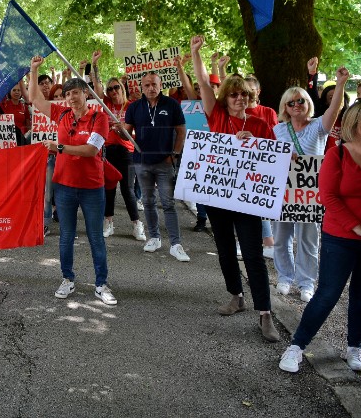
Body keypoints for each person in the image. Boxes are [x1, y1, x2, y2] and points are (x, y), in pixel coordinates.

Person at [191, 34, 279, 342]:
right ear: (226, 96)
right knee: (226, 250)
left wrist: (253, 142)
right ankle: (236, 296)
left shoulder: (261, 124)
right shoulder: (215, 115)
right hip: (217, 197)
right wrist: (195, 53)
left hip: (247, 200)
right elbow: (203, 83)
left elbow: (273, 159)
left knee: (253, 255)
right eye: (235, 94)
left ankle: (265, 314)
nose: (240, 98)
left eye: (245, 95)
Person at [279, 99, 361, 373]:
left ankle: (355, 348)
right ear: (355, 123)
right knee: (328, 294)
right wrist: (358, 228)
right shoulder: (338, 155)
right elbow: (328, 196)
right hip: (340, 237)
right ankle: (296, 347)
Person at [28, 55, 117, 305]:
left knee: (95, 237)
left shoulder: (100, 118)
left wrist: (60, 148)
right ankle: (67, 279)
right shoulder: (61, 113)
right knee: (66, 236)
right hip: (64, 186)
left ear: (86, 94)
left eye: (76, 93)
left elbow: (91, 150)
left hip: (91, 188)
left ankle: (101, 284)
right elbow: (35, 99)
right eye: (68, 94)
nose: (72, 98)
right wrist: (34, 71)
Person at [273, 67, 348, 302]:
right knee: (281, 237)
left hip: (310, 194)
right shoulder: (278, 129)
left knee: (308, 239)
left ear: (308, 104)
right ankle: (285, 277)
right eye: (291, 102)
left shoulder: (319, 127)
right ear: (285, 107)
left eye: (301, 101)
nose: (297, 105)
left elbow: (334, 110)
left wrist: (341, 82)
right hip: (284, 193)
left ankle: (306, 282)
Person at [123, 72, 189, 261]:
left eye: (154, 84)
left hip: (164, 162)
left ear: (161, 85)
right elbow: (126, 134)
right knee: (148, 201)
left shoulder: (172, 104)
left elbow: (181, 131)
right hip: (142, 162)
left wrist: (175, 154)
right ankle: (154, 237)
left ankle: (176, 244)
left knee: (168, 203)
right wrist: (119, 129)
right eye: (147, 85)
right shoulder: (134, 107)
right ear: (141, 87)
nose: (151, 88)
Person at [102, 77, 146, 241]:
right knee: (109, 188)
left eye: (116, 88)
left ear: (122, 88)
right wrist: (94, 66)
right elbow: (95, 89)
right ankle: (108, 222)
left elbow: (138, 134)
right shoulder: (106, 105)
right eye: (110, 89)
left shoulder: (132, 107)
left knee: (128, 189)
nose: (113, 91)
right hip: (108, 151)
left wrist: (124, 132)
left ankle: (136, 224)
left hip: (127, 152)